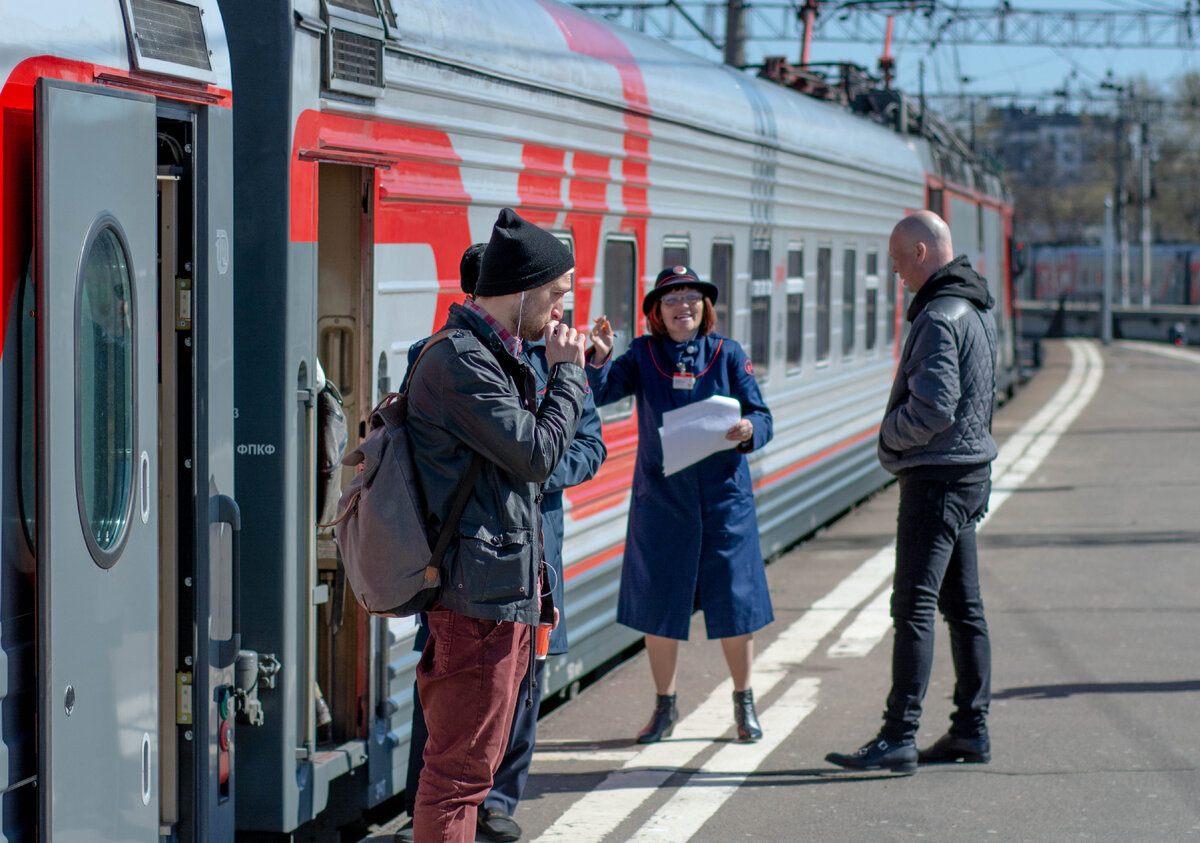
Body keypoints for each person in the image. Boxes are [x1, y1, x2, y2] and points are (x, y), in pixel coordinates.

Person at [398, 244, 606, 843]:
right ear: (521, 291)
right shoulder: (463, 360)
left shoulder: (494, 354)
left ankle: (495, 808)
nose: (564, 309)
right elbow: (537, 454)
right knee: (456, 775)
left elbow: (565, 448)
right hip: (478, 593)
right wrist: (569, 374)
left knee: (474, 761)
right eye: (557, 293)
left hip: (505, 581)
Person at [825, 210, 998, 774]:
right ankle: (971, 730)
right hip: (970, 473)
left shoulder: (939, 317)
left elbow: (933, 407)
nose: (896, 271)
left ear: (922, 253)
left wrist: (887, 433)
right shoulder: (974, 307)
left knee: (913, 607)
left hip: (936, 478)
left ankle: (898, 735)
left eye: (899, 260)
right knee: (963, 608)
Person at [586, 265, 774, 744]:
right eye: (672, 298)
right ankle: (665, 708)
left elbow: (761, 414)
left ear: (705, 308)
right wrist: (599, 357)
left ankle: (744, 702)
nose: (683, 305)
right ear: (657, 310)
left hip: (723, 501)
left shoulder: (728, 354)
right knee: (659, 606)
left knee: (736, 602)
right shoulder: (644, 355)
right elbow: (602, 390)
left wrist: (751, 430)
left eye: (692, 296)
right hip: (662, 502)